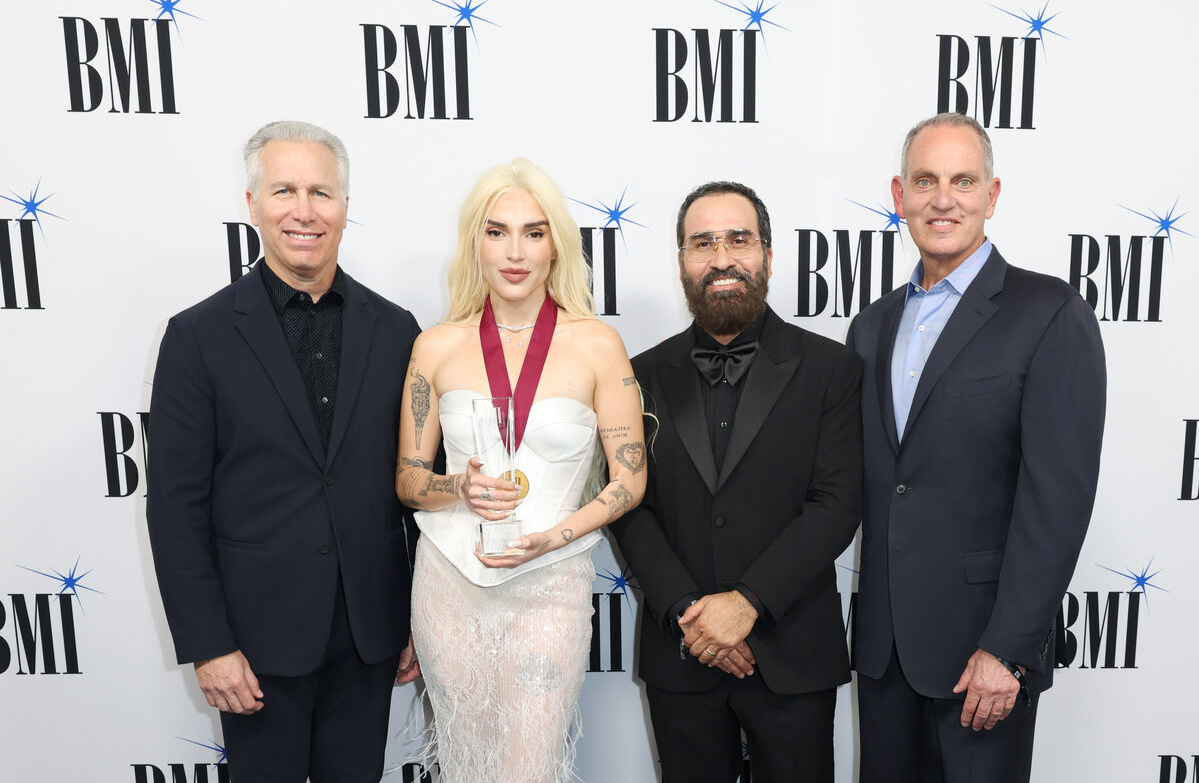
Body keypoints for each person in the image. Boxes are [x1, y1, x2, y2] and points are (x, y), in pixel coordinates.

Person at [146, 121, 422, 782]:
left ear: (345, 207)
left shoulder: (398, 330)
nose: (304, 211)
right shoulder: (197, 337)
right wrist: (210, 645)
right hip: (255, 641)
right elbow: (175, 507)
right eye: (284, 190)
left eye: (321, 192)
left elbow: (416, 491)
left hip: (369, 635)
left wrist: (418, 618)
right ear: (252, 204)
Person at [846, 113, 1106, 783]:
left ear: (991, 197)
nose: (942, 198)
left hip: (980, 660)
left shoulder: (1047, 313)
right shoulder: (870, 327)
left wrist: (1008, 650)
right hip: (882, 655)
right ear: (897, 194)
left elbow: (1057, 501)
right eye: (925, 180)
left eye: (962, 181)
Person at [395, 157, 647, 783]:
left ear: (556, 246)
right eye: (497, 230)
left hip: (551, 583)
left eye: (534, 232)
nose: (515, 251)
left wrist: (553, 538)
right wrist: (458, 486)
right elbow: (409, 480)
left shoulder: (597, 343)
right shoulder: (435, 345)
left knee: (530, 765)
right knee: (464, 763)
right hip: (450, 583)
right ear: (474, 242)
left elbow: (629, 479)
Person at [607, 181, 863, 782]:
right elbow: (627, 502)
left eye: (739, 240)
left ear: (768, 255)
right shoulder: (636, 375)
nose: (721, 258)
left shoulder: (833, 369)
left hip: (793, 652)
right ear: (682, 264)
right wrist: (692, 614)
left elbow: (836, 504)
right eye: (703, 243)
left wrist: (748, 604)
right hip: (683, 652)